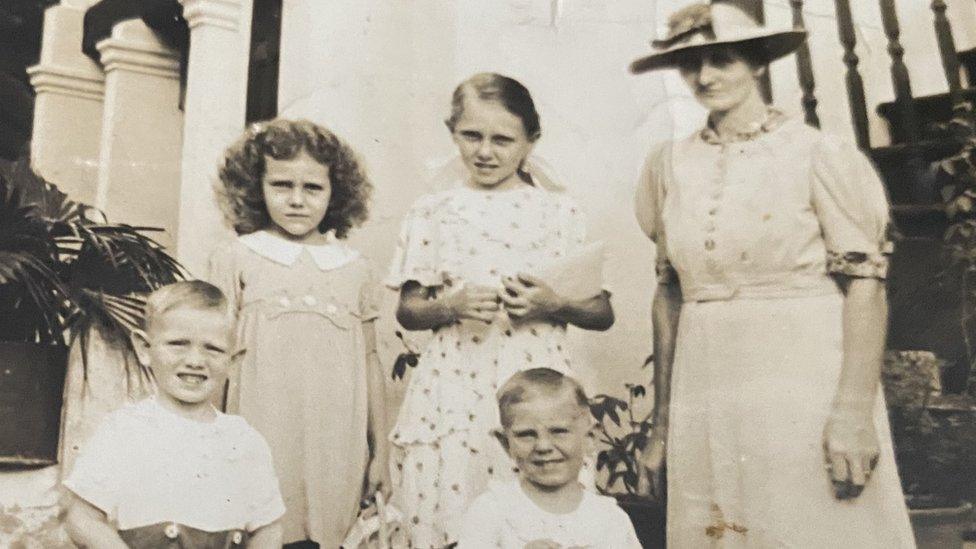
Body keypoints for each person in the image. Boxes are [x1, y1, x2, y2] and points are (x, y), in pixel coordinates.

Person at [630, 2, 915, 547]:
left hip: (800, 373)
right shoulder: (668, 165)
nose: (705, 77)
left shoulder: (816, 152)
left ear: (758, 62)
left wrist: (853, 413)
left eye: (722, 59)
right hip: (707, 378)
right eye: (690, 65)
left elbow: (865, 285)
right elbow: (669, 295)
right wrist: (663, 425)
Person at [386, 72, 615, 547]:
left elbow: (601, 311)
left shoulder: (558, 212)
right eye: (471, 136)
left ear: (530, 140)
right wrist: (449, 305)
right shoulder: (434, 210)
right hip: (454, 381)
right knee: (452, 499)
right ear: (453, 133)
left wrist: (553, 302)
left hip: (534, 377)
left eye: (502, 139)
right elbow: (408, 310)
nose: (485, 151)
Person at [208, 118, 388, 548]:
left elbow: (369, 361)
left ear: (336, 193)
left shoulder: (355, 268)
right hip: (260, 427)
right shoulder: (237, 257)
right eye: (281, 185)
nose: (296, 201)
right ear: (256, 187)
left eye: (312, 188)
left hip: (336, 437)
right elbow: (213, 352)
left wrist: (382, 451)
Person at [62, 280, 284, 549]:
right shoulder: (125, 430)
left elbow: (269, 529)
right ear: (145, 349)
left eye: (212, 348)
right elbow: (82, 518)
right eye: (178, 344)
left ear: (233, 362)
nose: (195, 360)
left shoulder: (244, 439)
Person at [456, 368, 641, 548]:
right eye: (526, 434)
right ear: (506, 443)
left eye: (559, 431)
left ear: (589, 438)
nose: (543, 446)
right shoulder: (491, 511)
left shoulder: (609, 518)